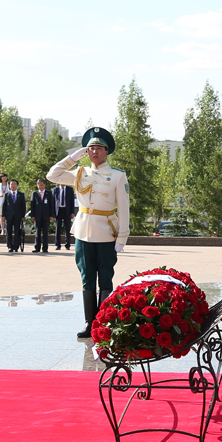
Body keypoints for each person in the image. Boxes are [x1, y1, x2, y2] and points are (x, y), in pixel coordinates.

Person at [46, 127, 130, 338]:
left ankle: (104, 322)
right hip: (83, 232)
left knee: (106, 278)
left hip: (106, 233)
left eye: (99, 148)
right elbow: (52, 175)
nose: (94, 152)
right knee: (87, 277)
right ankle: (89, 322)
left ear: (106, 151)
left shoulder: (118, 175)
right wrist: (72, 158)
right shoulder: (80, 172)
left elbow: (124, 208)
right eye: (91, 148)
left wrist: (122, 237)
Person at [30, 178, 54, 253]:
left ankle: (45, 248)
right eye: (39, 185)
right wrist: (32, 215)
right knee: (37, 232)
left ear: (45, 185)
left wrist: (51, 215)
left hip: (46, 216)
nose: (41, 186)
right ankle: (37, 247)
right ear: (37, 185)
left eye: (42, 185)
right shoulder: (35, 194)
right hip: (37, 216)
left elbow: (52, 205)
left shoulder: (49, 193)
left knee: (45, 233)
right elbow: (32, 205)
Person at [2, 178, 26, 253]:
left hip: (17, 216)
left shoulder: (21, 195)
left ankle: (16, 246)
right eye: (11, 184)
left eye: (15, 184)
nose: (13, 185)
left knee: (17, 232)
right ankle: (9, 246)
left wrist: (23, 216)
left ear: (17, 185)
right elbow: (4, 206)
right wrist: (3, 216)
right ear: (9, 185)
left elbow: (23, 206)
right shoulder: (6, 195)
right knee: (8, 232)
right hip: (8, 216)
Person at [54, 181, 76, 250]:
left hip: (67, 211)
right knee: (58, 228)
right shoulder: (55, 189)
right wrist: (53, 213)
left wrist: (72, 212)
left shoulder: (70, 189)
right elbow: (53, 201)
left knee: (67, 228)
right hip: (58, 211)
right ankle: (58, 245)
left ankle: (67, 244)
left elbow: (72, 201)